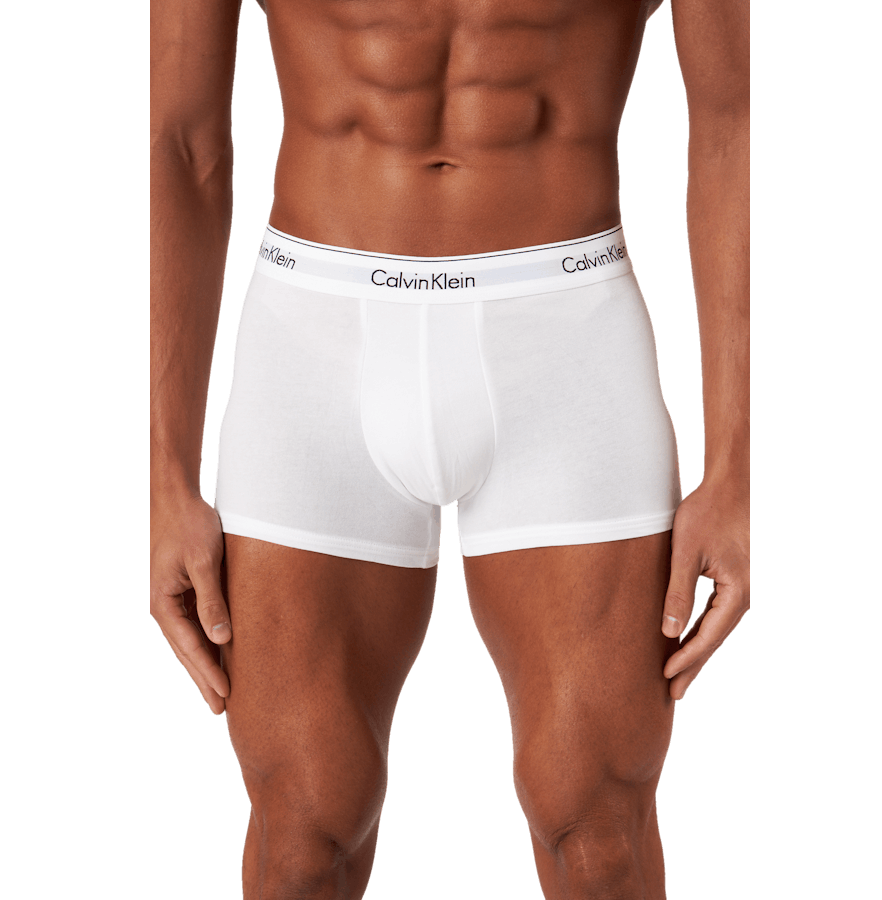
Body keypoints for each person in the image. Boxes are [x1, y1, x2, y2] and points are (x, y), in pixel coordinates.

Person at [150, 0, 749, 896]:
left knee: (596, 827)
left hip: (565, 332)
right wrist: (166, 477)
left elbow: (729, 120)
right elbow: (184, 141)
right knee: (303, 833)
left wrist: (733, 470)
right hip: (315, 337)